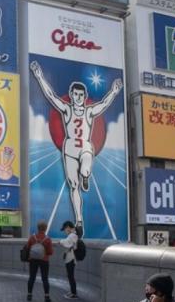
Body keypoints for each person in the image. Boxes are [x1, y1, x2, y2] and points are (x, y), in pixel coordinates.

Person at [29, 60, 122, 235]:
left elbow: (104, 104)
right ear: (71, 95)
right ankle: (79, 220)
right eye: (75, 94)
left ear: (84, 95)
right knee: (73, 185)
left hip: (85, 146)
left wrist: (114, 91)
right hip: (70, 148)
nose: (78, 98)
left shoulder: (89, 111)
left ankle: (86, 174)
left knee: (86, 162)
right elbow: (51, 96)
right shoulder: (67, 109)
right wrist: (39, 75)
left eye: (81, 95)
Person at [25, 221, 54, 302]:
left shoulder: (32, 237)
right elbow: (50, 252)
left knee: (32, 277)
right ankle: (46, 296)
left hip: (33, 260)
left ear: (38, 228)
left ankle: (29, 295)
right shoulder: (48, 239)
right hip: (44, 260)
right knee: (45, 278)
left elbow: (27, 248)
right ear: (45, 228)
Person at [60, 221, 79, 300]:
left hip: (71, 258)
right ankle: (72, 291)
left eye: (64, 229)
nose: (64, 231)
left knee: (71, 275)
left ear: (68, 227)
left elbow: (67, 243)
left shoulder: (72, 235)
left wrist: (60, 241)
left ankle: (74, 293)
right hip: (70, 258)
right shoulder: (73, 235)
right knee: (70, 275)